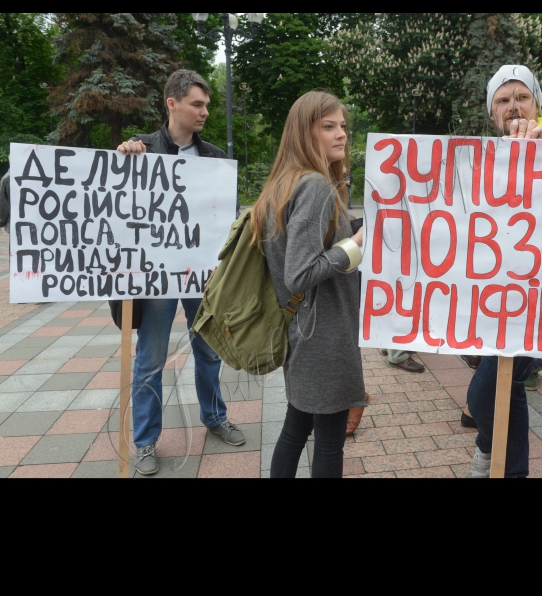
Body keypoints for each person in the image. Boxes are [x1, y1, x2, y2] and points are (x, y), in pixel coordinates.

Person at [117, 69, 246, 476]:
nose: (205, 111)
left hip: (202, 277)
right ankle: (145, 441)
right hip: (156, 278)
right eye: (197, 104)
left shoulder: (215, 160)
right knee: (150, 360)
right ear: (172, 104)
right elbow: (118, 206)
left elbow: (225, 221)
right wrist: (122, 158)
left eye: (207, 105)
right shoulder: (140, 150)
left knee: (208, 351)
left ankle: (214, 417)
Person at [467, 65, 542, 478]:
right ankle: (509, 470)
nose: (514, 107)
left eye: (522, 97)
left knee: (483, 394)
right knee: (506, 389)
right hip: (503, 300)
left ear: (537, 104)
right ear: (492, 112)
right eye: (503, 100)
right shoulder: (492, 153)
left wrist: (541, 150)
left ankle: (487, 452)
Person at [251, 91, 367, 479]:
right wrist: (354, 245)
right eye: (329, 127)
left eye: (343, 127)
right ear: (305, 132)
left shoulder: (286, 182)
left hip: (303, 329)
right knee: (329, 441)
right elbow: (299, 273)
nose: (342, 135)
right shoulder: (316, 186)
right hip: (324, 334)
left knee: (296, 427)